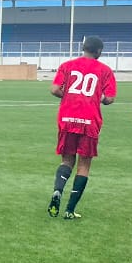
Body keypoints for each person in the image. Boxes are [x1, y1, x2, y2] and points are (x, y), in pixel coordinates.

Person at [48, 35, 117, 219]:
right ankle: (69, 210)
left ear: (83, 47)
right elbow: (110, 98)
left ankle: (58, 190)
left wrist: (69, 96)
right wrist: (98, 98)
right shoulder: (105, 70)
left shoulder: (67, 65)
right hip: (89, 121)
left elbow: (54, 89)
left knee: (66, 161)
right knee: (84, 165)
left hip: (67, 118)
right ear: (99, 51)